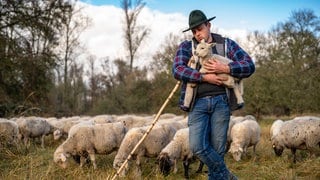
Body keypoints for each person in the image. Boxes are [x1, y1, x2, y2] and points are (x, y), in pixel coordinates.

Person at [172, 10, 255, 180]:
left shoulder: (226, 44)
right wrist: (203, 77)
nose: (197, 34)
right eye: (194, 31)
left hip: (221, 101)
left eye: (200, 29)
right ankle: (228, 176)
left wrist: (226, 68)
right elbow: (178, 69)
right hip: (197, 103)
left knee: (218, 150)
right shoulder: (187, 47)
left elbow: (249, 65)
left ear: (208, 25)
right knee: (197, 147)